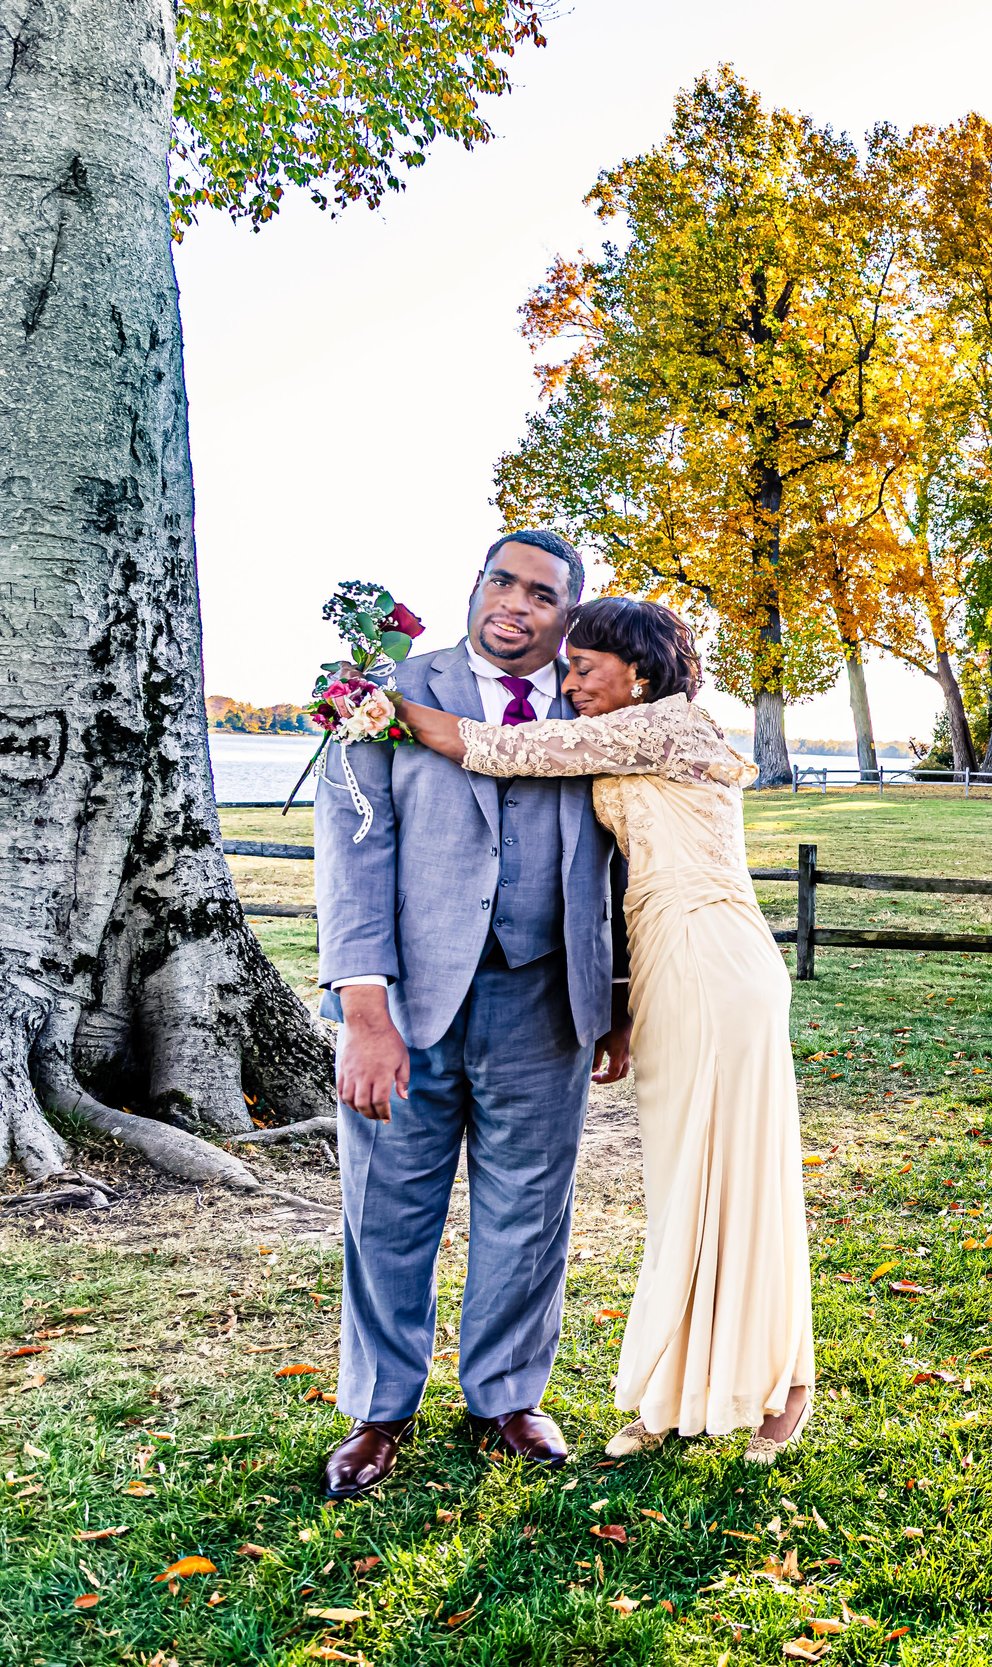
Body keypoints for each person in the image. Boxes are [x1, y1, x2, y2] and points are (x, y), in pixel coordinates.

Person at [396, 597, 818, 1467]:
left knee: (735, 1174)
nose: (572, 683)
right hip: (669, 961)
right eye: (571, 669)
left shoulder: (657, 724)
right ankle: (675, 1392)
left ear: (641, 672)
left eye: (585, 669)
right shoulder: (640, 726)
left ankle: (784, 1389)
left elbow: (498, 748)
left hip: (712, 956)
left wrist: (368, 700)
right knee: (683, 1183)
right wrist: (621, 1004)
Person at [316, 530, 630, 1501]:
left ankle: (506, 1393)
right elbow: (353, 852)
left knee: (530, 1206)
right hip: (409, 1000)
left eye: (542, 594)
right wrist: (363, 1010)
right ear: (476, 586)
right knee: (388, 1205)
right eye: (501, 580)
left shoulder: (597, 710)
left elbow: (624, 862)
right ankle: (379, 1408)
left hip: (547, 997)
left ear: (566, 615)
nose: (516, 604)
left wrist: (615, 998)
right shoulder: (384, 692)